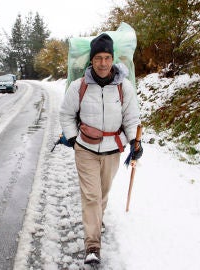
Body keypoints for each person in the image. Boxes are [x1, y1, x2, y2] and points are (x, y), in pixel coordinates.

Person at [59, 33, 143, 265]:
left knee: (102, 193)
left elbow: (131, 117)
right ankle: (92, 245)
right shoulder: (79, 86)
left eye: (107, 58)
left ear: (113, 59)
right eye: (98, 58)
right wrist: (74, 138)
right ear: (92, 60)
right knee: (91, 196)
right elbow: (66, 115)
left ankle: (96, 219)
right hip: (85, 148)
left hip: (112, 151)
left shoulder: (124, 87)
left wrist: (134, 142)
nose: (103, 63)